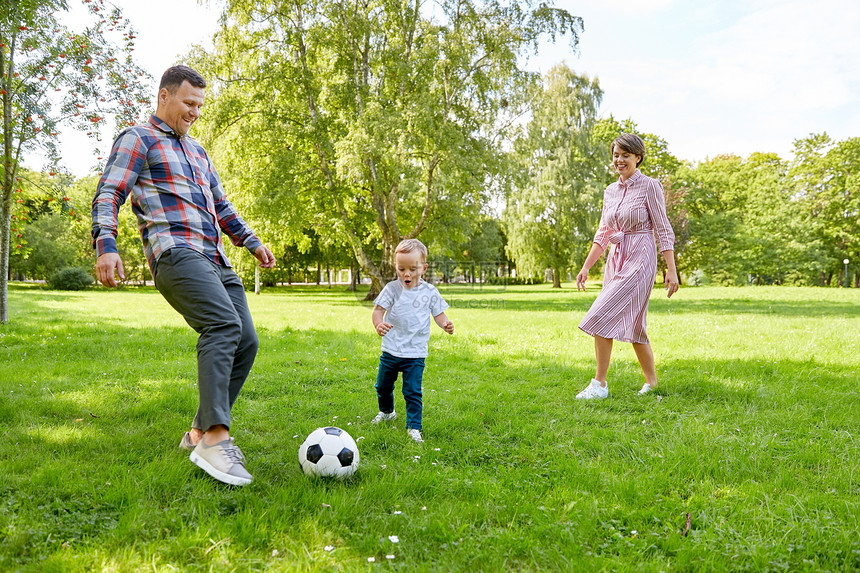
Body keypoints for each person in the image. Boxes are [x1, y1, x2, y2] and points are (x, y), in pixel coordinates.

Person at [91, 65, 276, 486]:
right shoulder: (138, 138)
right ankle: (215, 438)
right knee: (222, 324)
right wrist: (106, 245)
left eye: (199, 105)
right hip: (175, 252)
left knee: (246, 340)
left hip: (215, 257)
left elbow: (223, 207)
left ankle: (195, 432)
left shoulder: (198, 152)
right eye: (189, 103)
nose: (195, 112)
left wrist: (252, 242)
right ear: (164, 96)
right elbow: (109, 192)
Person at [575, 133, 679, 399]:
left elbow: (663, 228)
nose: (619, 160)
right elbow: (603, 232)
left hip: (641, 257)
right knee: (635, 324)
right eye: (616, 155)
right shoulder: (610, 191)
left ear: (638, 157)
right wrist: (586, 267)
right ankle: (653, 383)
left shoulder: (650, 186)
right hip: (616, 257)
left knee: (599, 314)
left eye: (625, 155)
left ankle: (599, 385)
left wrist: (671, 268)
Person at [371, 239, 454, 443]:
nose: (406, 274)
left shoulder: (430, 292)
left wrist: (445, 324)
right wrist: (378, 324)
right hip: (391, 350)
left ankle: (414, 427)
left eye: (412, 269)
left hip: (415, 353)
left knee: (412, 391)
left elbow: (439, 314)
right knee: (382, 386)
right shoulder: (391, 289)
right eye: (401, 269)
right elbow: (378, 311)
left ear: (424, 268)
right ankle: (387, 412)